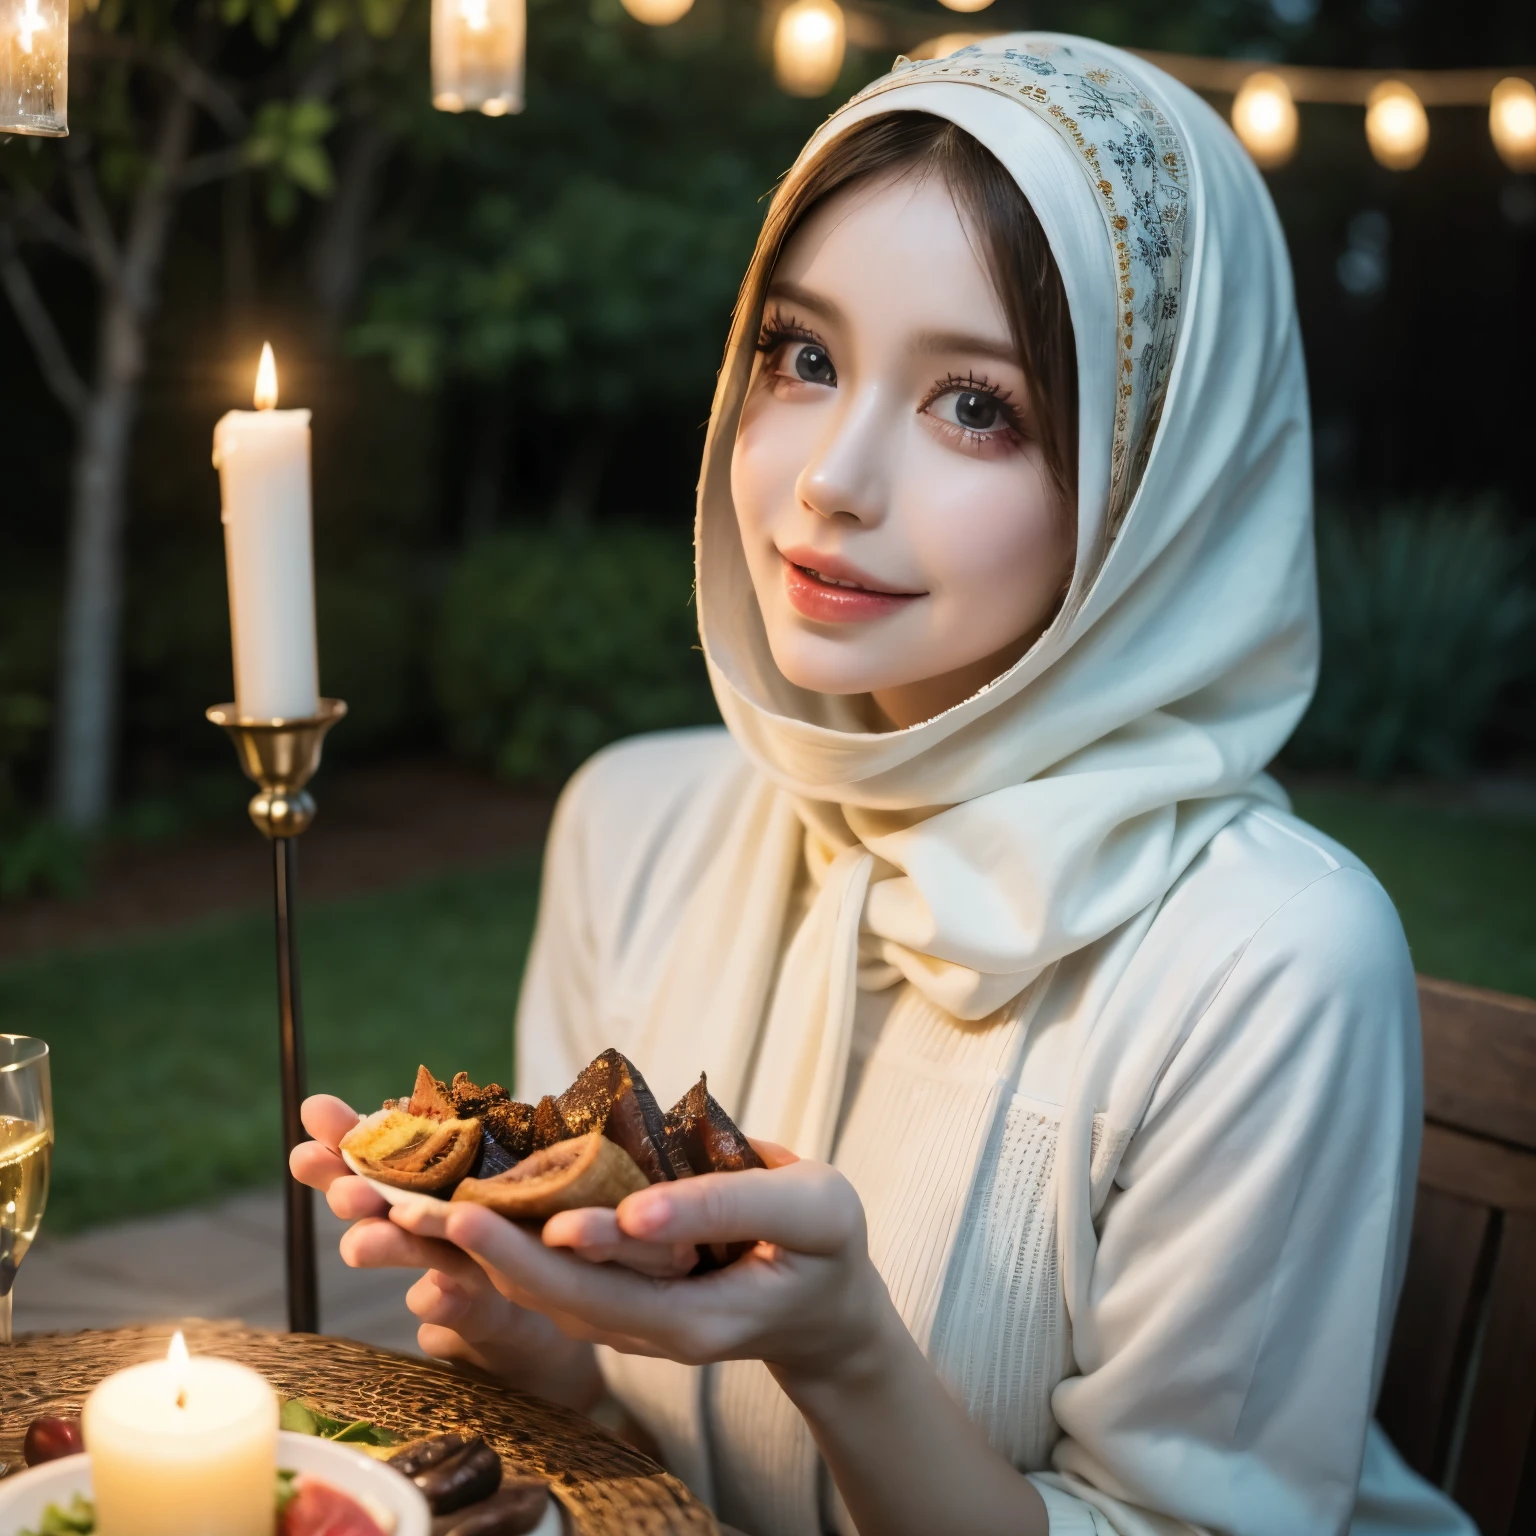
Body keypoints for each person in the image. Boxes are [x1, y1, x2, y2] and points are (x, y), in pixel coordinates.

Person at [294, 35, 1477, 1536]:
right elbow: (626, 1447)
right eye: (803, 355)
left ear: (1156, 487)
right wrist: (542, 1342)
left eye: (976, 404)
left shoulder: (1267, 963)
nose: (832, 475)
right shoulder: (635, 825)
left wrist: (845, 1354)